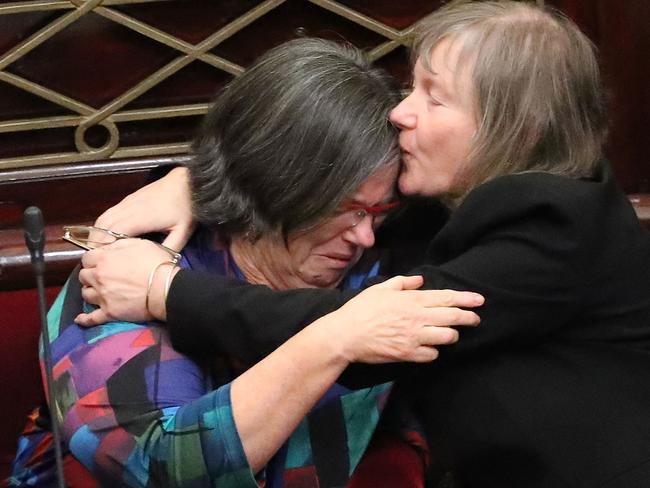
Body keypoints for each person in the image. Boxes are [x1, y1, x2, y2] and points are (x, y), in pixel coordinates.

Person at [74, 1, 650, 486]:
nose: (402, 112)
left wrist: (165, 291)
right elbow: (289, 170)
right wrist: (193, 182)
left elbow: (373, 325)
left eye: (434, 97)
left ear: (515, 131)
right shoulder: (491, 193)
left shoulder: (554, 228)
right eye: (410, 88)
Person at [6, 39, 484, 488]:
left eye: (377, 211)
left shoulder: (384, 254)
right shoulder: (127, 270)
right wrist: (335, 339)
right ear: (269, 186)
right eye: (343, 208)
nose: (364, 235)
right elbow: (165, 465)